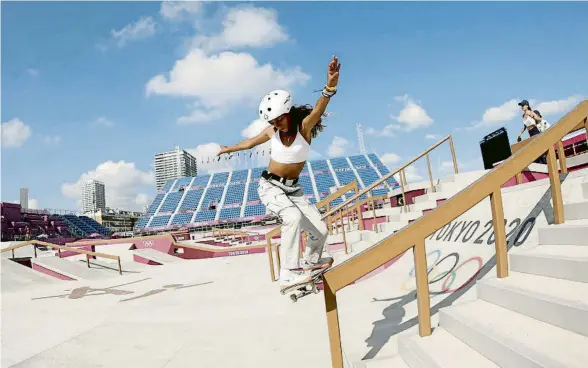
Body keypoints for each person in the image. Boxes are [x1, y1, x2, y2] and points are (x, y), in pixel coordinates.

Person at [217, 56, 341, 290]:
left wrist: (330, 86)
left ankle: (312, 261)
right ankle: (287, 273)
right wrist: (228, 149)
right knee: (292, 218)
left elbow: (319, 108)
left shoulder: (304, 127)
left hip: (294, 190)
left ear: (289, 112)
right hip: (270, 186)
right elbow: (249, 143)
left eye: (280, 119)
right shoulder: (271, 131)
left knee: (321, 230)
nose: (278, 124)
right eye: (274, 121)